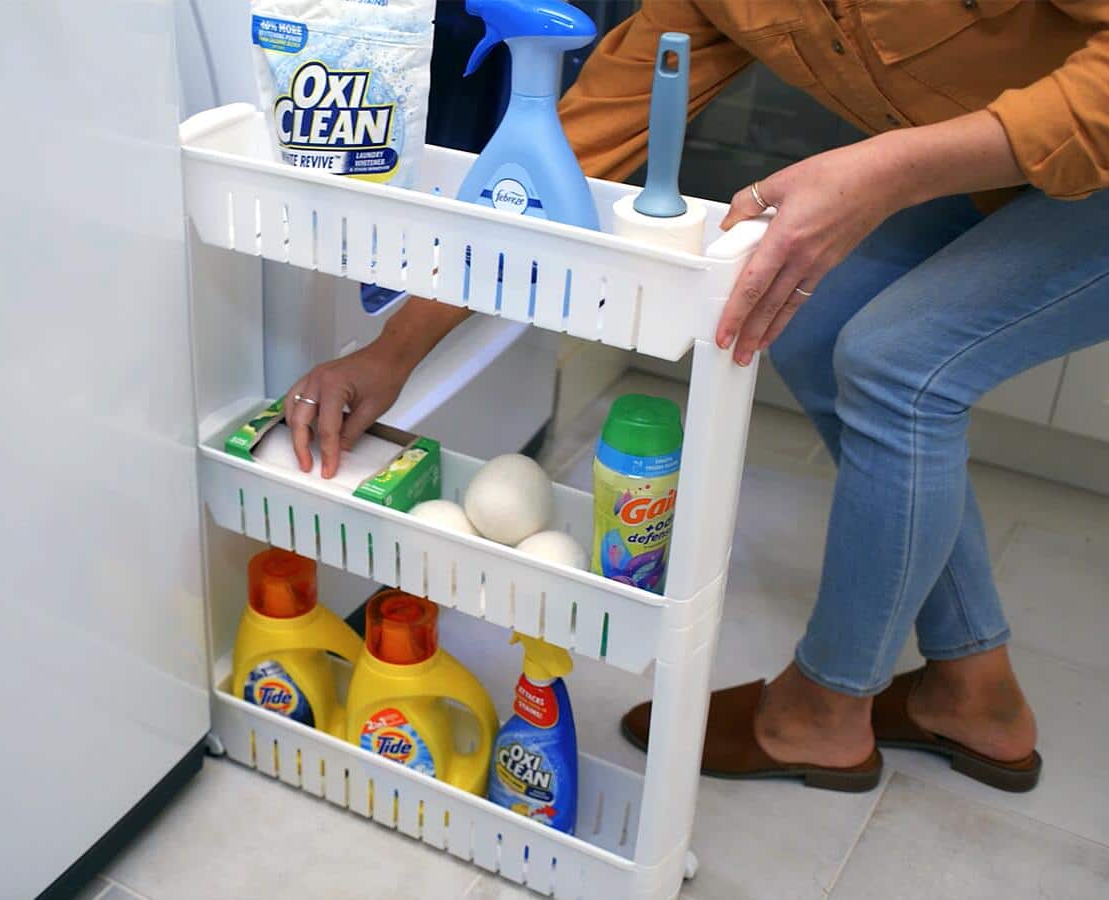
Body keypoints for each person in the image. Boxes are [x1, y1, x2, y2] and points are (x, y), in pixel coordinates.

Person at [285, 1, 1109, 792]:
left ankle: (825, 711)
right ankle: (973, 691)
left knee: (900, 364)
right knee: (817, 329)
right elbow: (565, 157)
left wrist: (887, 169)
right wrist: (394, 349)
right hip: (1015, 174)